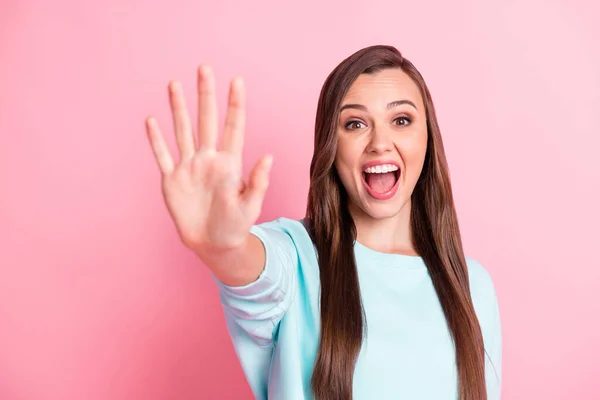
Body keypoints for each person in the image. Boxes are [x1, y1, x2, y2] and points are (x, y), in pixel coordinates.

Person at [145, 45, 502, 400]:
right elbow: (251, 273)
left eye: (401, 120)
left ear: (428, 139)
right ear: (332, 146)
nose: (380, 143)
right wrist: (221, 248)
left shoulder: (472, 287)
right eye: (355, 124)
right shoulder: (296, 259)